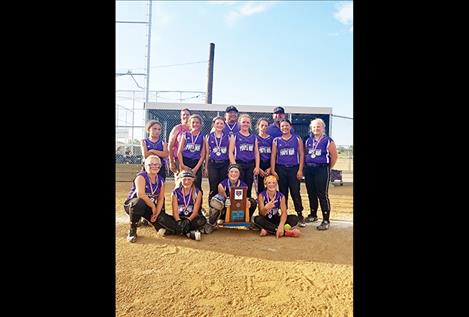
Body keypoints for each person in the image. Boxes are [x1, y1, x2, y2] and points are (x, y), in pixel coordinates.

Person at [303, 118, 338, 230]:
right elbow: (305, 154)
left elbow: (334, 156)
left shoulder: (328, 140)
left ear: (323, 128)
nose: (316, 129)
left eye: (318, 126)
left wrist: (327, 168)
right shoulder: (308, 140)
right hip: (309, 169)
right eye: (314, 127)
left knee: (322, 194)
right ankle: (313, 215)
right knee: (311, 193)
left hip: (322, 169)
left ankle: (326, 219)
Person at [270, 119, 306, 227]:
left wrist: (300, 170)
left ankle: (299, 214)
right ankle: (283, 214)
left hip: (294, 168)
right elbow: (273, 156)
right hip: (281, 168)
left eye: (286, 126)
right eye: (282, 126)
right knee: (283, 193)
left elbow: (301, 154)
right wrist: (273, 170)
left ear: (290, 127)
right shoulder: (276, 140)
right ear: (280, 128)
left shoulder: (297, 138)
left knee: (295, 192)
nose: (284, 128)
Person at [123, 155, 165, 243]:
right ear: (145, 166)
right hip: (133, 204)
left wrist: (157, 213)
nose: (154, 166)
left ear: (160, 167)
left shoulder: (161, 180)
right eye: (150, 164)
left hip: (148, 205)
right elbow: (141, 194)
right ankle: (132, 229)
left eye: (156, 164)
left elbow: (161, 198)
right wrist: (153, 207)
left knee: (164, 225)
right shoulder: (141, 176)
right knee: (139, 203)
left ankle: (149, 220)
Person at [156, 170, 207, 240]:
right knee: (161, 217)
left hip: (190, 219)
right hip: (178, 218)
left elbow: (195, 212)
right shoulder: (175, 192)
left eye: (189, 179)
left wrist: (188, 221)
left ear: (193, 180)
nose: (187, 182)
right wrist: (178, 221)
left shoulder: (198, 192)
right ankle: (188, 233)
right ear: (180, 180)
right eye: (184, 179)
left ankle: (171, 231)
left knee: (202, 220)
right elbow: (175, 211)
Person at [207, 164, 257, 229]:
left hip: (238, 210)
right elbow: (221, 198)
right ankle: (212, 223)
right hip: (225, 210)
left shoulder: (244, 186)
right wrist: (225, 201)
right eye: (231, 172)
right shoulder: (221, 185)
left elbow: (245, 198)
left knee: (252, 202)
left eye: (236, 172)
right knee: (217, 201)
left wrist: (247, 202)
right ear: (228, 174)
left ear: (239, 174)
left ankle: (247, 220)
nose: (233, 174)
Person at [228, 113, 260, 199]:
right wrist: (235, 166)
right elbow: (230, 152)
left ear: (250, 124)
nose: (245, 124)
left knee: (248, 187)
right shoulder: (234, 135)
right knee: (238, 187)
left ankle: (247, 210)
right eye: (243, 122)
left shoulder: (254, 137)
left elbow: (256, 153)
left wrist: (257, 167)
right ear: (239, 123)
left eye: (247, 122)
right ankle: (237, 208)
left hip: (250, 165)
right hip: (239, 164)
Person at [204, 116, 229, 202]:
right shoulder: (208, 137)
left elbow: (230, 152)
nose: (219, 125)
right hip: (213, 164)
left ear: (224, 125)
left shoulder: (228, 137)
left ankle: (223, 211)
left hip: (224, 164)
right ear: (213, 125)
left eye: (221, 123)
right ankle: (212, 210)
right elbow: (207, 153)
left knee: (223, 187)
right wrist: (206, 167)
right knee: (213, 187)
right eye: (217, 123)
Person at [178, 114, 206, 191]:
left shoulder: (203, 137)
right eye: (193, 122)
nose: (195, 124)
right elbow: (179, 152)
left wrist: (196, 168)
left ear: (200, 124)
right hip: (185, 161)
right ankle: (183, 202)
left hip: (196, 163)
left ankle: (198, 202)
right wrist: (182, 165)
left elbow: (203, 154)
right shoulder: (185, 135)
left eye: (197, 122)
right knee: (184, 184)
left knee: (197, 186)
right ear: (189, 123)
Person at [168, 108, 191, 174]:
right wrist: (171, 161)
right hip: (179, 159)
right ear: (181, 116)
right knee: (181, 180)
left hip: (191, 158)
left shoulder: (193, 129)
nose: (185, 116)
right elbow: (170, 145)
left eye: (187, 114)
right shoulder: (177, 128)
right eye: (183, 115)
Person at [255, 117, 273, 195]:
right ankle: (261, 206)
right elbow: (253, 154)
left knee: (270, 187)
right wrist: (258, 168)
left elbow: (274, 154)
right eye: (262, 125)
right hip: (259, 164)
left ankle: (271, 206)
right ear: (258, 126)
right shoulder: (255, 138)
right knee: (259, 189)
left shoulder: (272, 139)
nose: (264, 127)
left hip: (269, 164)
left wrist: (271, 168)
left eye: (266, 126)